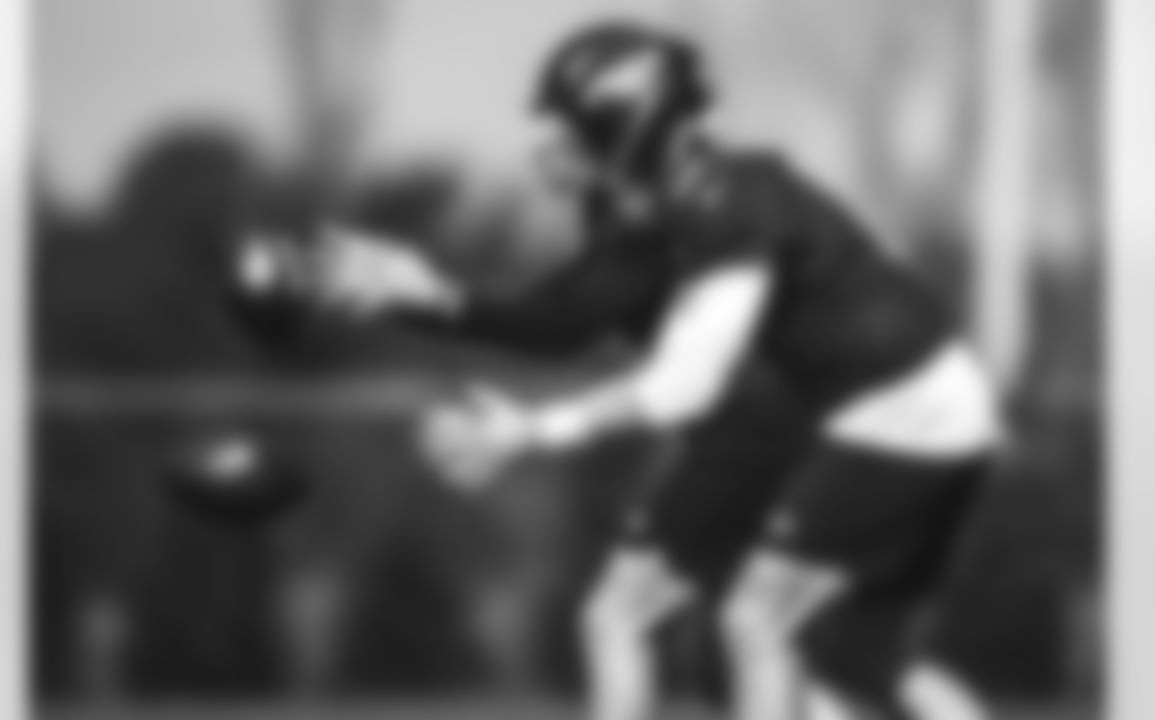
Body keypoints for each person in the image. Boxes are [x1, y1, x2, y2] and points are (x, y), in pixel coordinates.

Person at [238, 19, 1001, 720]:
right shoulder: (651, 207)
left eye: (573, 126)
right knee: (782, 650)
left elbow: (675, 384)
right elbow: (562, 322)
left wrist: (529, 430)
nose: (553, 144)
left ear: (629, 126)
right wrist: (424, 297)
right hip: (815, 417)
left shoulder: (714, 204)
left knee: (707, 626)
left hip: (824, 419)